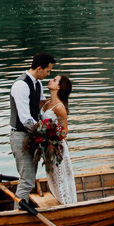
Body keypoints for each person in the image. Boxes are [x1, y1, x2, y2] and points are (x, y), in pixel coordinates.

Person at [9, 52, 54, 201]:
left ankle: (22, 210)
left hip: (32, 135)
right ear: (39, 68)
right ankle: (18, 215)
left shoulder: (38, 84)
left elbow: (39, 110)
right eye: (47, 71)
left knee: (29, 177)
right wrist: (45, 133)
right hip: (21, 136)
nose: (48, 74)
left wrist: (49, 126)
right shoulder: (21, 85)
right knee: (27, 180)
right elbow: (25, 119)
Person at [42, 75, 77, 204]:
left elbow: (64, 132)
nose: (50, 80)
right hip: (48, 147)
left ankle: (65, 203)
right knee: (51, 177)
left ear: (58, 87)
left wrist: (50, 136)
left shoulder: (59, 107)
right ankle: (59, 202)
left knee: (60, 177)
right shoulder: (46, 103)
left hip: (57, 148)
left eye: (54, 80)